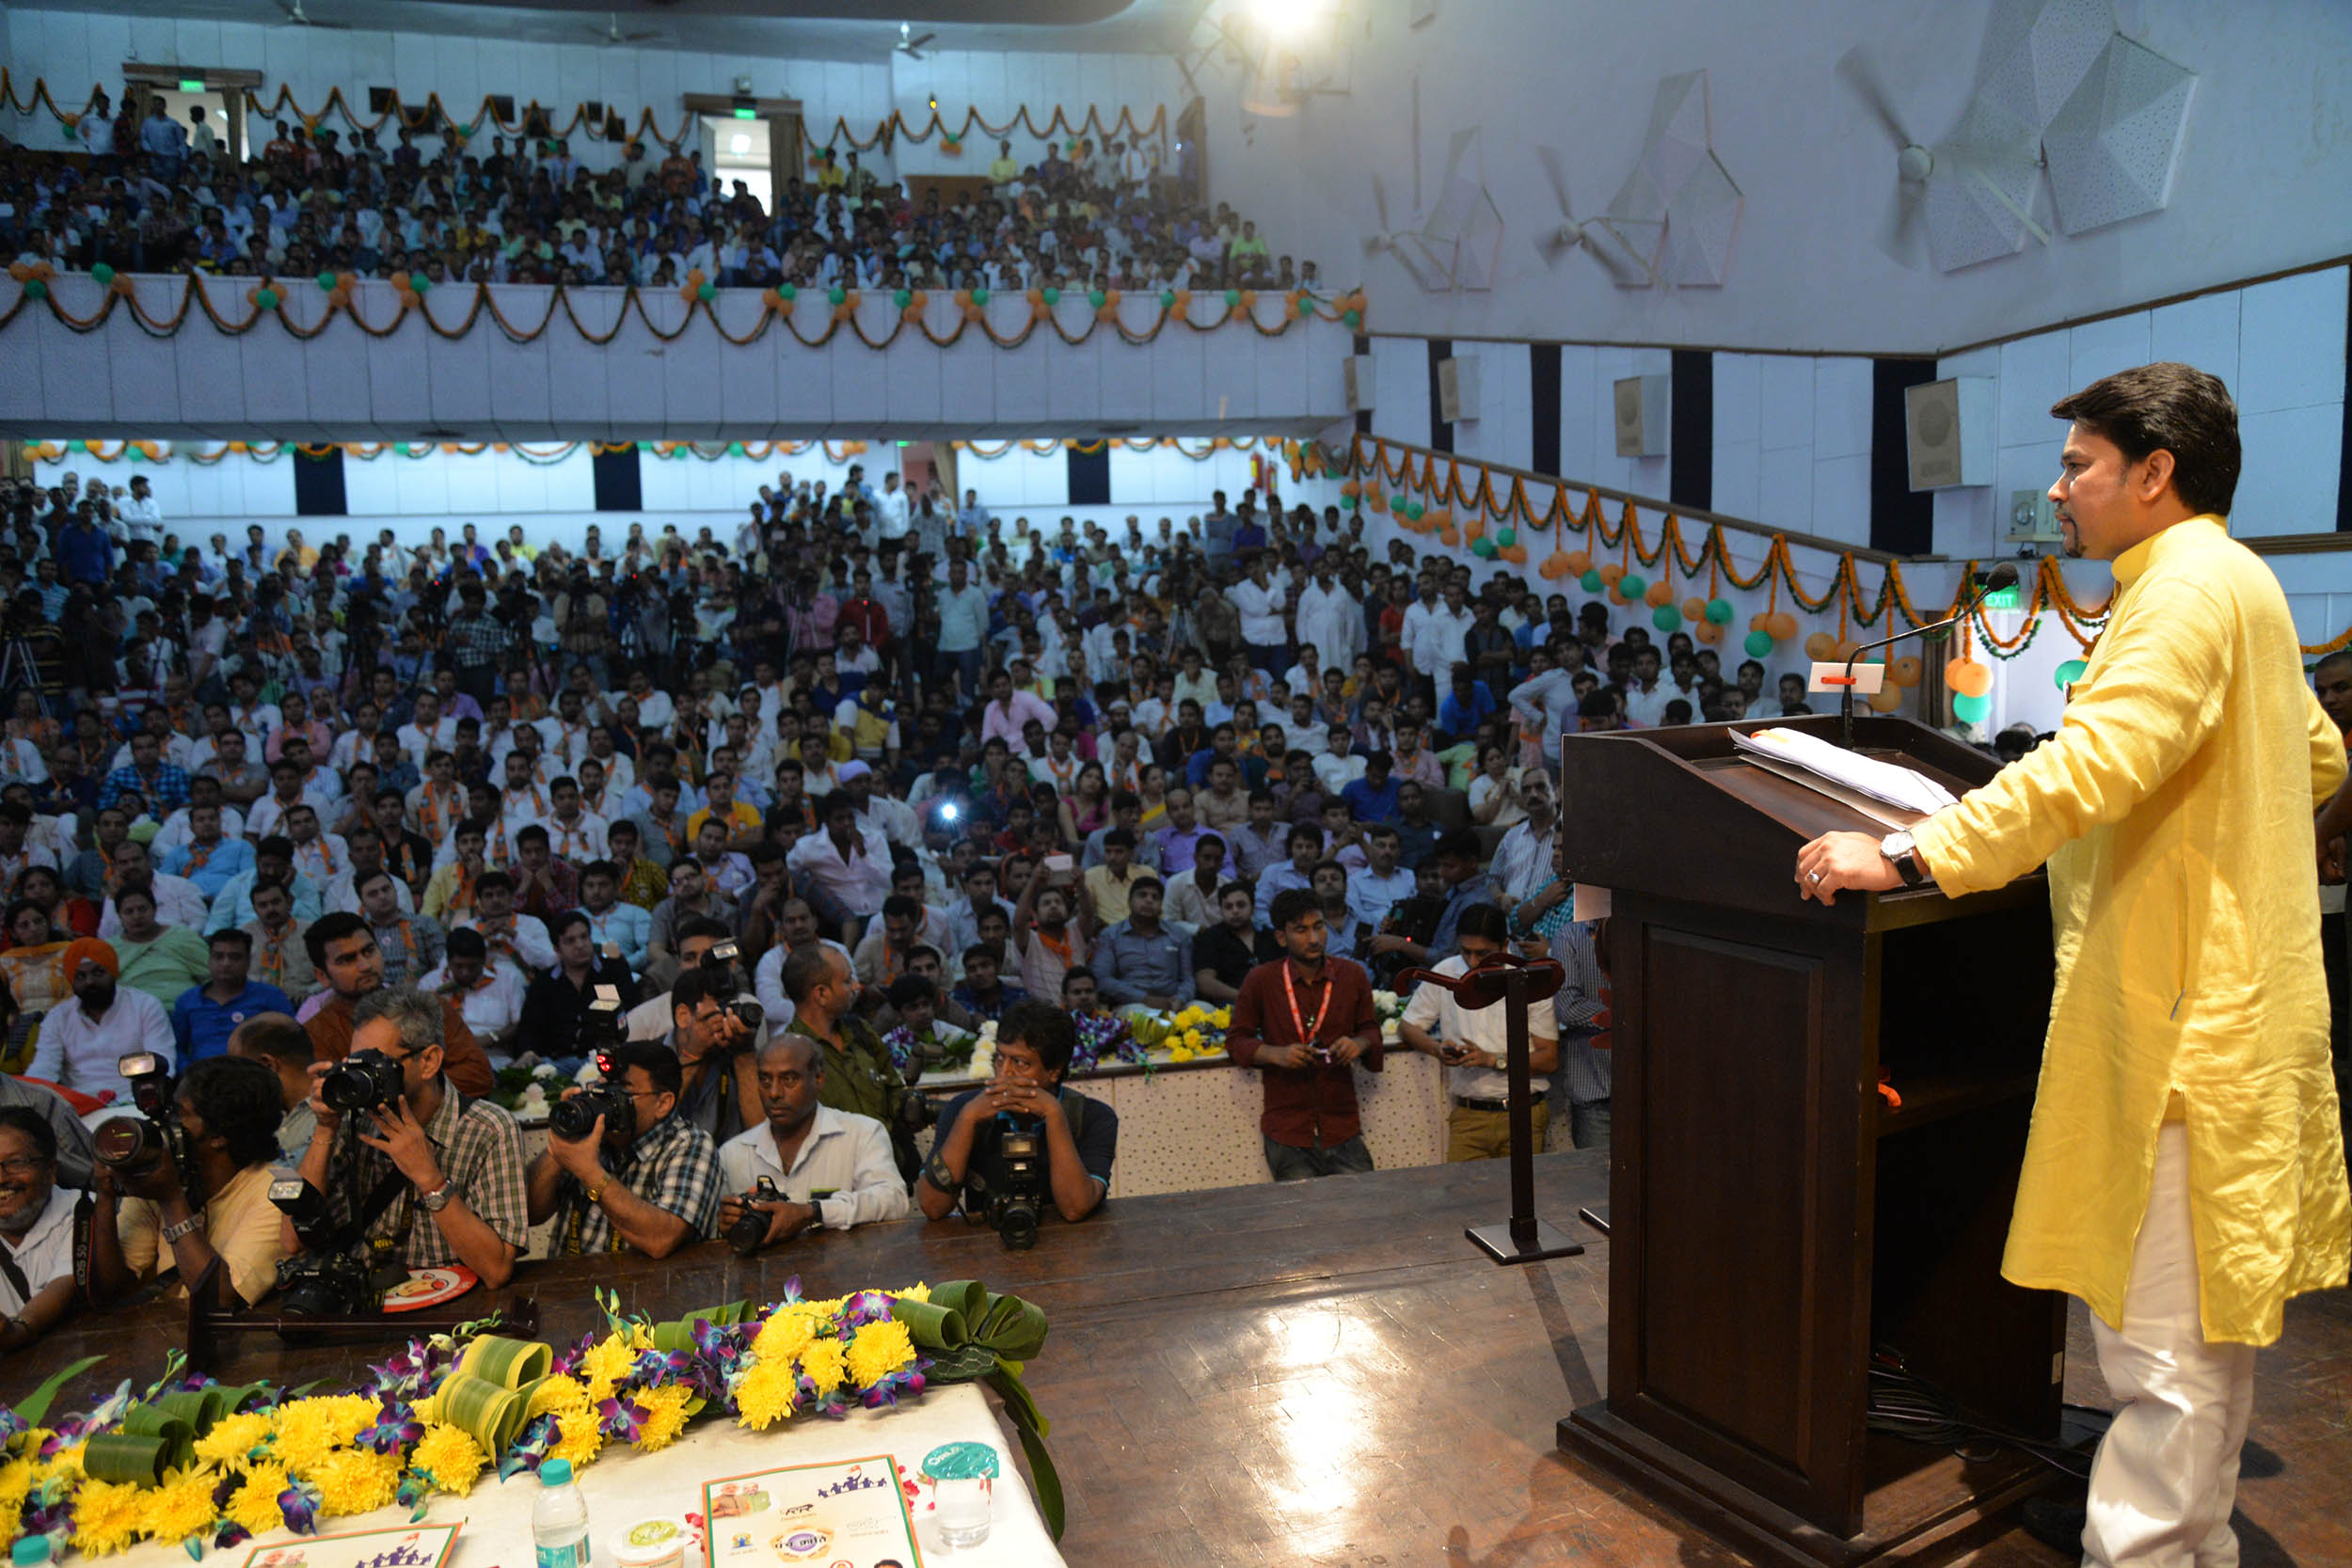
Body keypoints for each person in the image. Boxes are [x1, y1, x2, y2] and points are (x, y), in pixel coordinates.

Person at [1798, 363, 2349, 1567]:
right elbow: (2312, 760)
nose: (2058, 491)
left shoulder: (2182, 592)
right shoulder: (2237, 581)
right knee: (2197, 1344)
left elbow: (2090, 768)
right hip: (2227, 1002)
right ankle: (2191, 1548)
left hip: (2181, 1021)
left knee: (2160, 1353)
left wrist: (1906, 852)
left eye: (2078, 465)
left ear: (2154, 473)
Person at [291, 985, 529, 1289]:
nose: (362, 1079)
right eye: (356, 1063)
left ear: (429, 1061)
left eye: (376, 1064)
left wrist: (430, 1179)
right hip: (366, 1300)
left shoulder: (489, 1128)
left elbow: (496, 1271)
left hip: (456, 1306)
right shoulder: (354, 1121)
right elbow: (293, 1241)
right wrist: (325, 1128)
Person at [87, 1055, 291, 1307]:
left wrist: (171, 1200)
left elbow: (219, 1299)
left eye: (178, 1114)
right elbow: (111, 1290)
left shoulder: (275, 1192)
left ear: (219, 1135)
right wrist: (106, 1195)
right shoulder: (162, 1177)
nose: (163, 1125)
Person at [1225, 888, 1384, 1180]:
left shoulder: (1352, 975)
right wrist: (1275, 1054)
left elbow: (1371, 1030)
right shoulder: (1261, 979)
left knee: (1363, 1212)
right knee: (1302, 1222)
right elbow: (1236, 1040)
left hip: (1341, 1124)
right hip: (1288, 1128)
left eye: (1319, 926)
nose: (1314, 939)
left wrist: (1358, 1044)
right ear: (1281, 937)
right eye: (1301, 930)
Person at [915, 1000, 1117, 1227]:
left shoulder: (1093, 1117)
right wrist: (967, 1119)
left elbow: (1074, 1208)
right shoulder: (964, 1109)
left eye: (1020, 1063)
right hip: (984, 1250)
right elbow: (932, 1206)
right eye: (1000, 1057)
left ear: (1054, 1071)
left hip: (1070, 1252)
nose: (1004, 1072)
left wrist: (1053, 1114)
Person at [526, 1041, 720, 1258]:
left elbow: (662, 1239)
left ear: (663, 1103)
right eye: (604, 1091)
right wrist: (560, 1147)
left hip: (645, 1289)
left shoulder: (690, 1145)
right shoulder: (591, 1138)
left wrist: (590, 1172)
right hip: (570, 1286)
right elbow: (531, 1214)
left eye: (622, 1094)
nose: (608, 1103)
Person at [715, 1034, 912, 1247]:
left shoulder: (862, 1133)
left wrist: (815, 1212)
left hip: (843, 1274)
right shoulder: (733, 1153)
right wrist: (726, 1224)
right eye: (764, 1079)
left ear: (818, 1079)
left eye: (788, 1079)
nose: (774, 1093)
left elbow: (893, 1200)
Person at [1397, 904, 1560, 1160]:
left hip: (1523, 1111)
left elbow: (1549, 1059)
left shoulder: (1528, 979)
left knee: (1522, 1198)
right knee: (1463, 1198)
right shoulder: (1447, 972)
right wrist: (1437, 1049)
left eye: (1483, 953)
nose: (1472, 962)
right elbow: (1407, 1026)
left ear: (1504, 945)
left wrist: (1492, 1059)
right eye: (1466, 952)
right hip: (1468, 1116)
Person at [300, 911, 498, 1095]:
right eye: (346, 960)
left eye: (369, 951)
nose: (365, 966)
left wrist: (396, 1088)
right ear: (322, 976)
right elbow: (338, 1098)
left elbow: (479, 1076)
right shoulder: (317, 1033)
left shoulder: (429, 1006)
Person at [777, 942, 922, 1179]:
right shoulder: (787, 1057)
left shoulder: (860, 1031)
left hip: (890, 1172)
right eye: (846, 981)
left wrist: (907, 1112)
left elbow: (894, 1090)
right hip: (834, 1186)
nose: (856, 986)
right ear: (821, 994)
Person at [26, 937, 176, 1101]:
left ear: (113, 972)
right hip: (79, 1105)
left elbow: (163, 1064)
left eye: (98, 973)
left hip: (135, 1101)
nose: (90, 981)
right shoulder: (58, 1017)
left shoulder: (145, 1006)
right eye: (81, 976)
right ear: (72, 981)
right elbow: (43, 1069)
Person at [0, 1107, 85, 1354]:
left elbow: (64, 1286)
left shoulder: (83, 1212)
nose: (1, 1177)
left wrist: (18, 1330)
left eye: (16, 1162)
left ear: (51, 1171)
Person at [171, 929, 294, 1064]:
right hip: (200, 1078)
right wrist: (188, 1073)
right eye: (218, 956)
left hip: (254, 1076)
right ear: (209, 959)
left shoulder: (270, 996)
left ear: (248, 961)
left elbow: (292, 1039)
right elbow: (176, 1049)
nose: (226, 963)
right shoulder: (187, 1001)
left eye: (235, 957)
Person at [1089, 875, 1193, 1010]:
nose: (1149, 900)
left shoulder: (1179, 935)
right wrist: (1144, 999)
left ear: (1161, 906)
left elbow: (1188, 979)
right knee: (1144, 1016)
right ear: (1129, 901)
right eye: (1142, 895)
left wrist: (1180, 999)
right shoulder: (1110, 935)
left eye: (1155, 897)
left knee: (1206, 1010)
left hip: (1174, 1003)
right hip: (1131, 1004)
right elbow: (1103, 979)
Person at [228, 1011, 320, 1159]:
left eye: (241, 1071)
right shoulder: (268, 1116)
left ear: (267, 1065)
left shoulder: (328, 1118)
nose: (237, 1083)